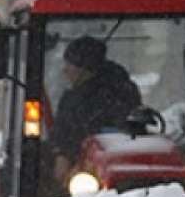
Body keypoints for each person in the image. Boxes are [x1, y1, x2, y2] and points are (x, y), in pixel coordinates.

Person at [49, 35, 143, 186]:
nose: (65, 70)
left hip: (114, 165)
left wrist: (72, 154)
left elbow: (124, 130)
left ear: (84, 68)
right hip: (80, 174)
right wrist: (61, 154)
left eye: (69, 64)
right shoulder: (71, 97)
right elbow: (61, 132)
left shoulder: (120, 93)